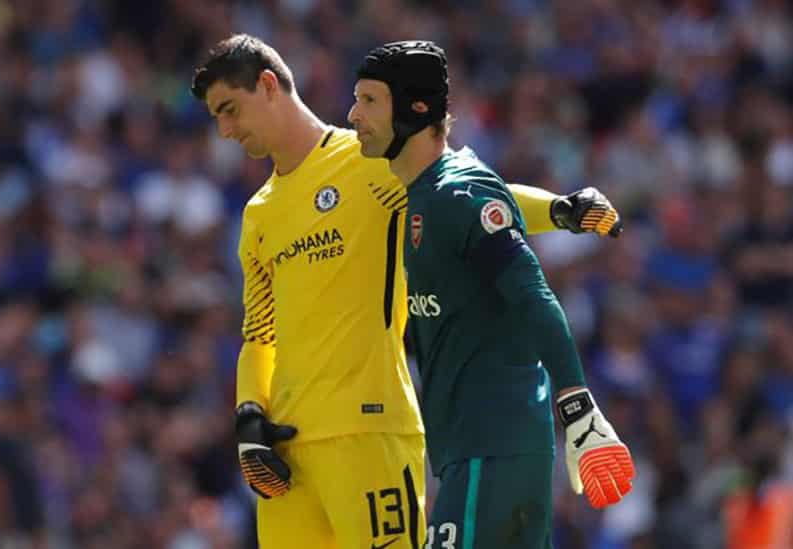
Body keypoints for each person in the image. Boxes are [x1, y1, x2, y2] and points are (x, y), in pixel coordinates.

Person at [190, 34, 622, 549]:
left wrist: (559, 210)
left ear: (267, 85)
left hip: (368, 432)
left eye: (229, 110)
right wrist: (248, 417)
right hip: (288, 456)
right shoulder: (259, 214)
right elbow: (260, 334)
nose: (225, 130)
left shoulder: (370, 159)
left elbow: (466, 200)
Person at [348, 40, 635, 548]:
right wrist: (561, 210)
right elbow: (498, 200)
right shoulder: (427, 192)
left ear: (416, 109)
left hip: (492, 446)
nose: (353, 116)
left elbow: (533, 294)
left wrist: (580, 412)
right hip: (483, 449)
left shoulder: (455, 192)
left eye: (369, 101)